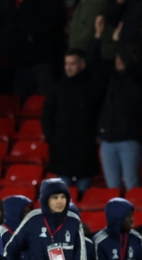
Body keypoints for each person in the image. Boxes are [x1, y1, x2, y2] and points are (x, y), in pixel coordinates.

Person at [42, 50, 104, 194]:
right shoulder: (57, 87)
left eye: (72, 64)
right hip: (62, 149)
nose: (68, 67)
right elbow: (47, 115)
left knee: (85, 194)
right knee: (62, 196)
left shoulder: (94, 87)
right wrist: (52, 138)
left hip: (86, 150)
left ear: (82, 65)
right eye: (66, 64)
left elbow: (100, 114)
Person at [97, 41, 142, 191]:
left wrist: (121, 44)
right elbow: (96, 64)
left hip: (129, 140)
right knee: (112, 188)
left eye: (121, 57)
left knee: (132, 184)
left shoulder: (138, 79)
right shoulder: (111, 79)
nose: (117, 60)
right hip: (108, 141)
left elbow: (136, 73)